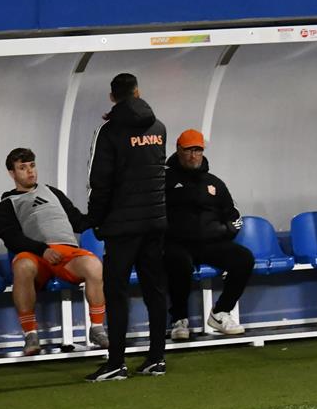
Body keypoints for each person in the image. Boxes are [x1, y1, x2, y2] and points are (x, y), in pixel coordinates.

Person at [84, 73, 169, 381]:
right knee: (154, 290)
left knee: (116, 292)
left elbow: (99, 182)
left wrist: (94, 219)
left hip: (122, 227)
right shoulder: (159, 128)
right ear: (137, 92)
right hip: (155, 222)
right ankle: (156, 358)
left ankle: (116, 362)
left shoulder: (108, 132)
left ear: (112, 97)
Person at [0, 147, 109, 356]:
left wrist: (103, 215)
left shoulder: (53, 192)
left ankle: (97, 328)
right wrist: (42, 249)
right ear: (12, 173)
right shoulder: (7, 205)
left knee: (93, 265)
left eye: (32, 166)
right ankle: (31, 334)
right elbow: (12, 239)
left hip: (67, 253)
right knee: (22, 266)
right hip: (36, 255)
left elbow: (78, 221)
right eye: (22, 168)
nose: (30, 171)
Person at [165, 129, 253, 338]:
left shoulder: (214, 183)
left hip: (210, 244)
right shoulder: (164, 180)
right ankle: (179, 319)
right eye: (189, 150)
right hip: (176, 243)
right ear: (178, 150)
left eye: (198, 150)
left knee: (244, 258)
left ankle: (220, 312)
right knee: (179, 262)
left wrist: (226, 231)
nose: (193, 155)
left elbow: (234, 216)